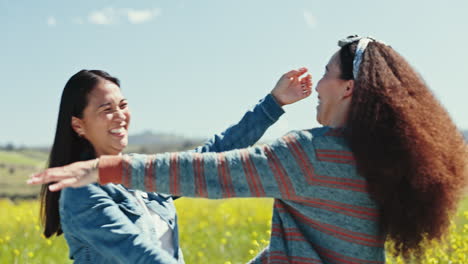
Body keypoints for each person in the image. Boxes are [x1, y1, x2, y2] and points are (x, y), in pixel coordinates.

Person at [30, 36, 468, 263]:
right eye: (106, 109)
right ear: (77, 123)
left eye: (326, 74)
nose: (317, 83)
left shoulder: (312, 155)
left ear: (348, 88)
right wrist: (273, 104)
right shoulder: (375, 158)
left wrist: (107, 168)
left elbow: (209, 170)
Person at [38, 68, 312, 263]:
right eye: (106, 110)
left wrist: (274, 103)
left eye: (123, 105)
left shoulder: (140, 173)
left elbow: (210, 155)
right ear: (78, 125)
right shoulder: (80, 191)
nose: (120, 116)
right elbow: (136, 253)